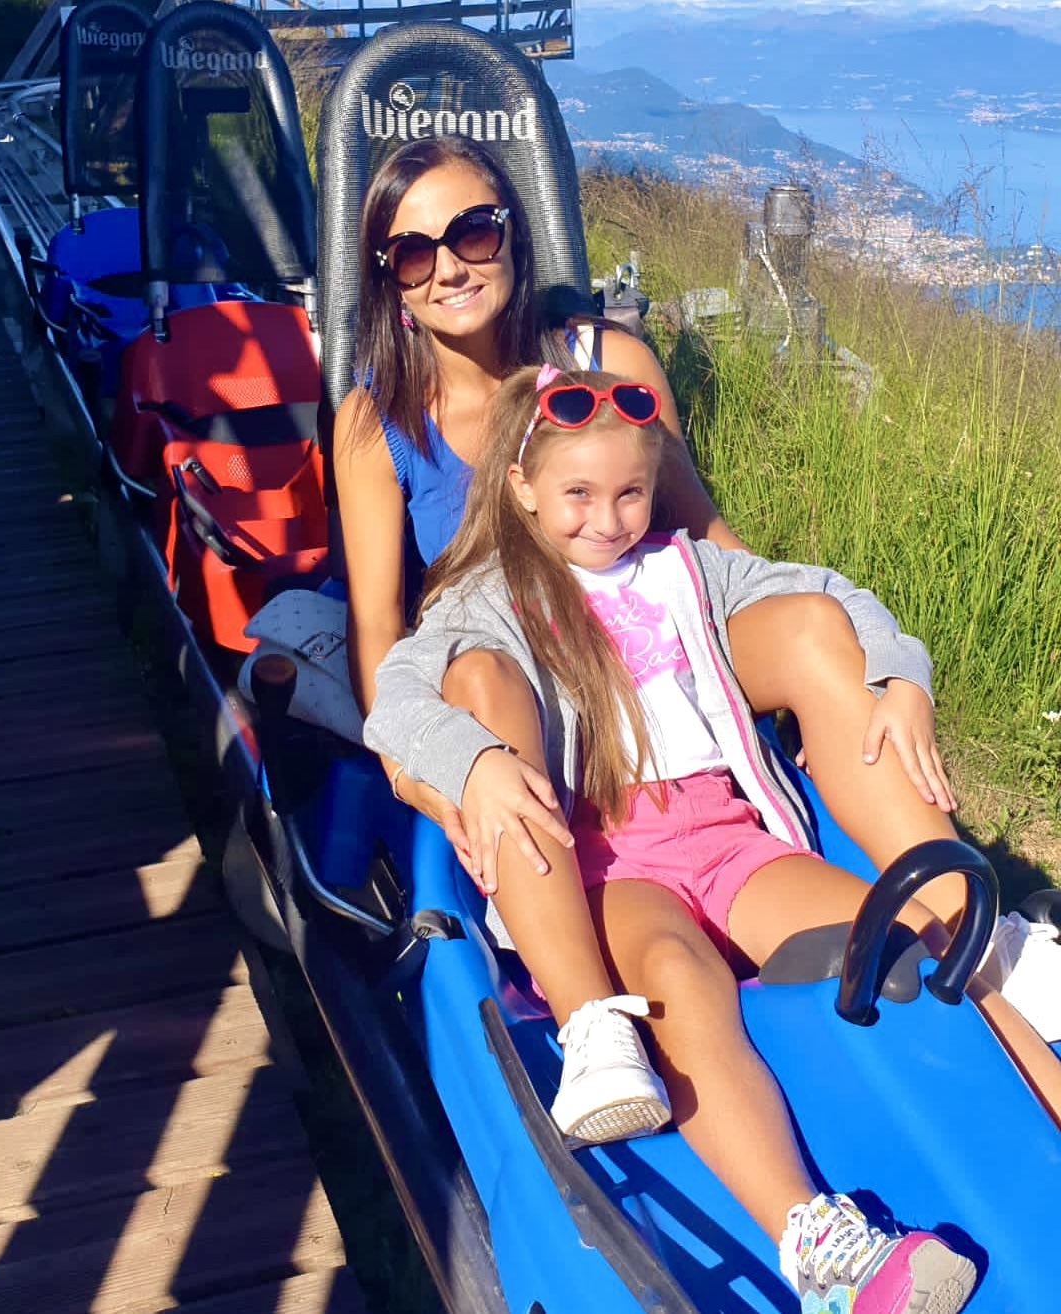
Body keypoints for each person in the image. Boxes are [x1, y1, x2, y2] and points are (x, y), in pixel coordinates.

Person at [331, 134, 1061, 1067]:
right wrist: (428, 774)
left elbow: (701, 541)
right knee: (484, 674)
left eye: (473, 232)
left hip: (649, 646)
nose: (450, 268)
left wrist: (870, 664)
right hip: (531, 692)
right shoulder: (378, 422)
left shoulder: (609, 363)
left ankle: (976, 927)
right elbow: (380, 633)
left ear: (512, 234)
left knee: (806, 627)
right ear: (389, 277)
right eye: (414, 251)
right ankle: (596, 1020)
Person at [364, 365, 984, 1314]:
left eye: (629, 493)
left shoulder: (686, 566)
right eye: (578, 494)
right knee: (679, 980)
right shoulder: (487, 600)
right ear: (523, 488)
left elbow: (829, 593)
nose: (607, 520)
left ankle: (1016, 1114)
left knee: (894, 935)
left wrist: (901, 675)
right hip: (611, 855)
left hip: (728, 836)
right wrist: (473, 759)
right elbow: (400, 699)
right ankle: (815, 1242)